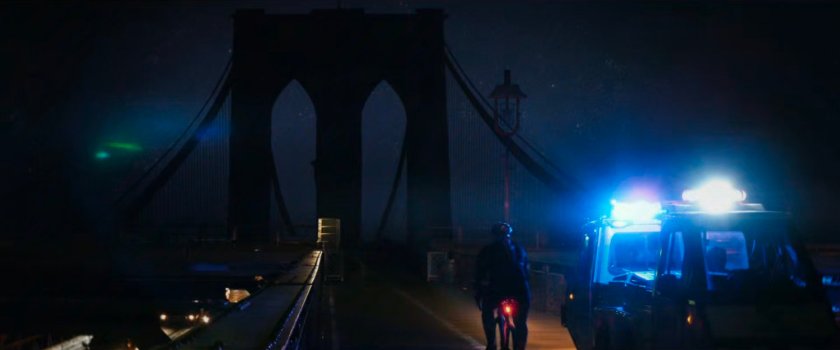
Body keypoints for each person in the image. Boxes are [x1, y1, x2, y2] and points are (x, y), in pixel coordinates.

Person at [474, 222, 531, 350]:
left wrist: (478, 293)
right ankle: (520, 346)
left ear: (493, 236)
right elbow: (527, 271)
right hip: (520, 291)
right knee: (521, 322)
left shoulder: (488, 250)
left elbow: (479, 273)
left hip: (497, 290)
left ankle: (491, 344)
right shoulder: (519, 248)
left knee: (488, 314)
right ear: (509, 235)